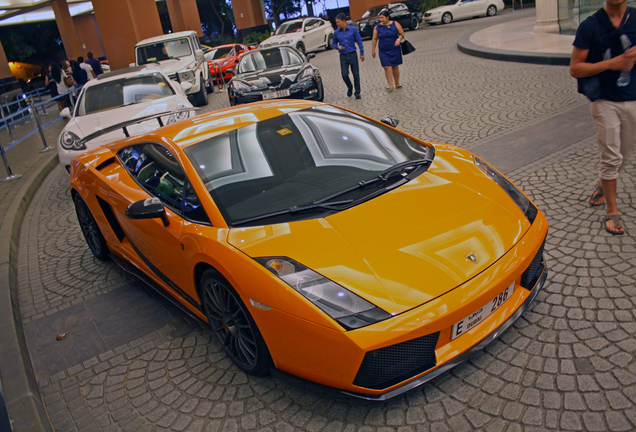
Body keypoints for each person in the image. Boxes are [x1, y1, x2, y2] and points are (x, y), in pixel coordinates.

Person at [570, 0, 636, 235]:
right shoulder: (590, 25)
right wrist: (612, 63)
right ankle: (612, 210)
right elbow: (575, 68)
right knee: (611, 157)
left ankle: (602, 185)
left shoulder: (635, 18)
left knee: (622, 156)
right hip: (604, 101)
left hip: (632, 98)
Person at [332, 12, 365, 99]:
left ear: (344, 21)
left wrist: (362, 53)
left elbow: (359, 41)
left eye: (338, 22)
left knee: (356, 74)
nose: (337, 24)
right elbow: (333, 43)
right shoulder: (336, 32)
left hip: (352, 54)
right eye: (336, 22)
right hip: (343, 56)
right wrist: (338, 47)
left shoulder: (353, 30)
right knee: (344, 74)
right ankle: (350, 87)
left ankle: (357, 92)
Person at [372, 10, 405, 92]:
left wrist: (398, 40)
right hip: (383, 50)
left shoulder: (395, 24)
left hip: (394, 48)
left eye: (382, 18)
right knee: (387, 67)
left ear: (387, 17)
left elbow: (402, 33)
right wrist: (373, 49)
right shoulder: (377, 27)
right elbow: (374, 38)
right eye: (380, 18)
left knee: (395, 66)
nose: (381, 19)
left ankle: (397, 83)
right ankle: (390, 85)